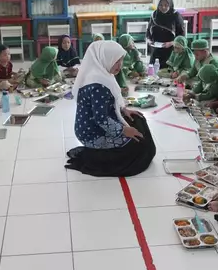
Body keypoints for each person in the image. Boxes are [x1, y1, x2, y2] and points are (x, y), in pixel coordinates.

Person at [65, 41, 157, 177]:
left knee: (138, 119)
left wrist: (124, 110)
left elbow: (110, 103)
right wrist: (124, 130)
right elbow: (101, 119)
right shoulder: (97, 84)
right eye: (116, 61)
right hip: (92, 133)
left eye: (121, 61)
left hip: (96, 123)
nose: (119, 66)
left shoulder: (102, 74)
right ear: (105, 59)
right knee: (137, 145)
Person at [146, 0, 185, 68]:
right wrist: (149, 40)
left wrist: (171, 43)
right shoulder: (154, 15)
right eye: (160, 5)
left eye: (166, 5)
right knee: (153, 72)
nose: (163, 7)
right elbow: (148, 32)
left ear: (170, 4)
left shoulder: (176, 16)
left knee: (167, 73)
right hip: (156, 49)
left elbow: (182, 37)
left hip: (171, 50)